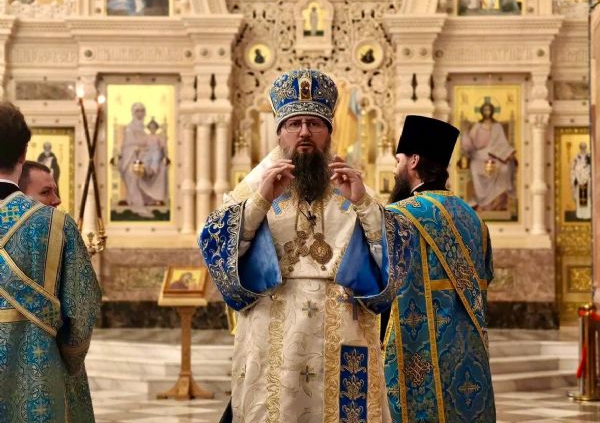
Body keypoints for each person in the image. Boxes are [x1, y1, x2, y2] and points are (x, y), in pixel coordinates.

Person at [200, 69, 405, 422]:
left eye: (314, 123)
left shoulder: (353, 187)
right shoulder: (254, 188)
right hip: (273, 325)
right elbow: (216, 246)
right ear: (279, 132)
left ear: (330, 132)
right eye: (294, 124)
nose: (305, 132)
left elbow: (393, 259)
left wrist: (363, 204)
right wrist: (260, 202)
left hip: (344, 328)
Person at [383, 115, 495, 421]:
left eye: (398, 160)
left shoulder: (399, 215)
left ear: (413, 161)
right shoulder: (475, 219)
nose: (395, 168)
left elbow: (379, 282)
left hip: (420, 351)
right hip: (469, 350)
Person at [0, 102, 102, 422]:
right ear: (23, 152)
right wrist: (68, 359)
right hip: (38, 379)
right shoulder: (55, 225)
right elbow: (83, 306)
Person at [461, 101, 516, 211]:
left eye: (489, 109)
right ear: (481, 111)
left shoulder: (497, 126)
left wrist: (507, 153)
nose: (487, 112)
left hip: (495, 155)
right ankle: (481, 199)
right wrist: (465, 131)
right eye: (485, 110)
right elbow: (470, 143)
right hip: (478, 156)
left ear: (492, 111)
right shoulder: (477, 126)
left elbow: (503, 143)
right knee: (475, 168)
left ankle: (497, 202)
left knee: (505, 168)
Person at [116, 102, 153, 217]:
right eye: (137, 111)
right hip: (129, 158)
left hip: (142, 158)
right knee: (133, 176)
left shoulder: (142, 128)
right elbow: (128, 145)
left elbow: (147, 144)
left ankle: (142, 202)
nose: (140, 113)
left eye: (142, 111)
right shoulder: (130, 128)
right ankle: (139, 207)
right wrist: (139, 147)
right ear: (133, 113)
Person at [570, 141, 591, 220]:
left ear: (586, 147)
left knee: (587, 196)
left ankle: (587, 214)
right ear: (580, 148)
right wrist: (575, 175)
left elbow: (591, 167)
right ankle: (580, 214)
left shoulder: (589, 156)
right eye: (582, 147)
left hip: (587, 179)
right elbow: (573, 168)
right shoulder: (576, 157)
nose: (583, 148)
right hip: (579, 179)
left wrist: (587, 171)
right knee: (579, 196)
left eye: (584, 147)